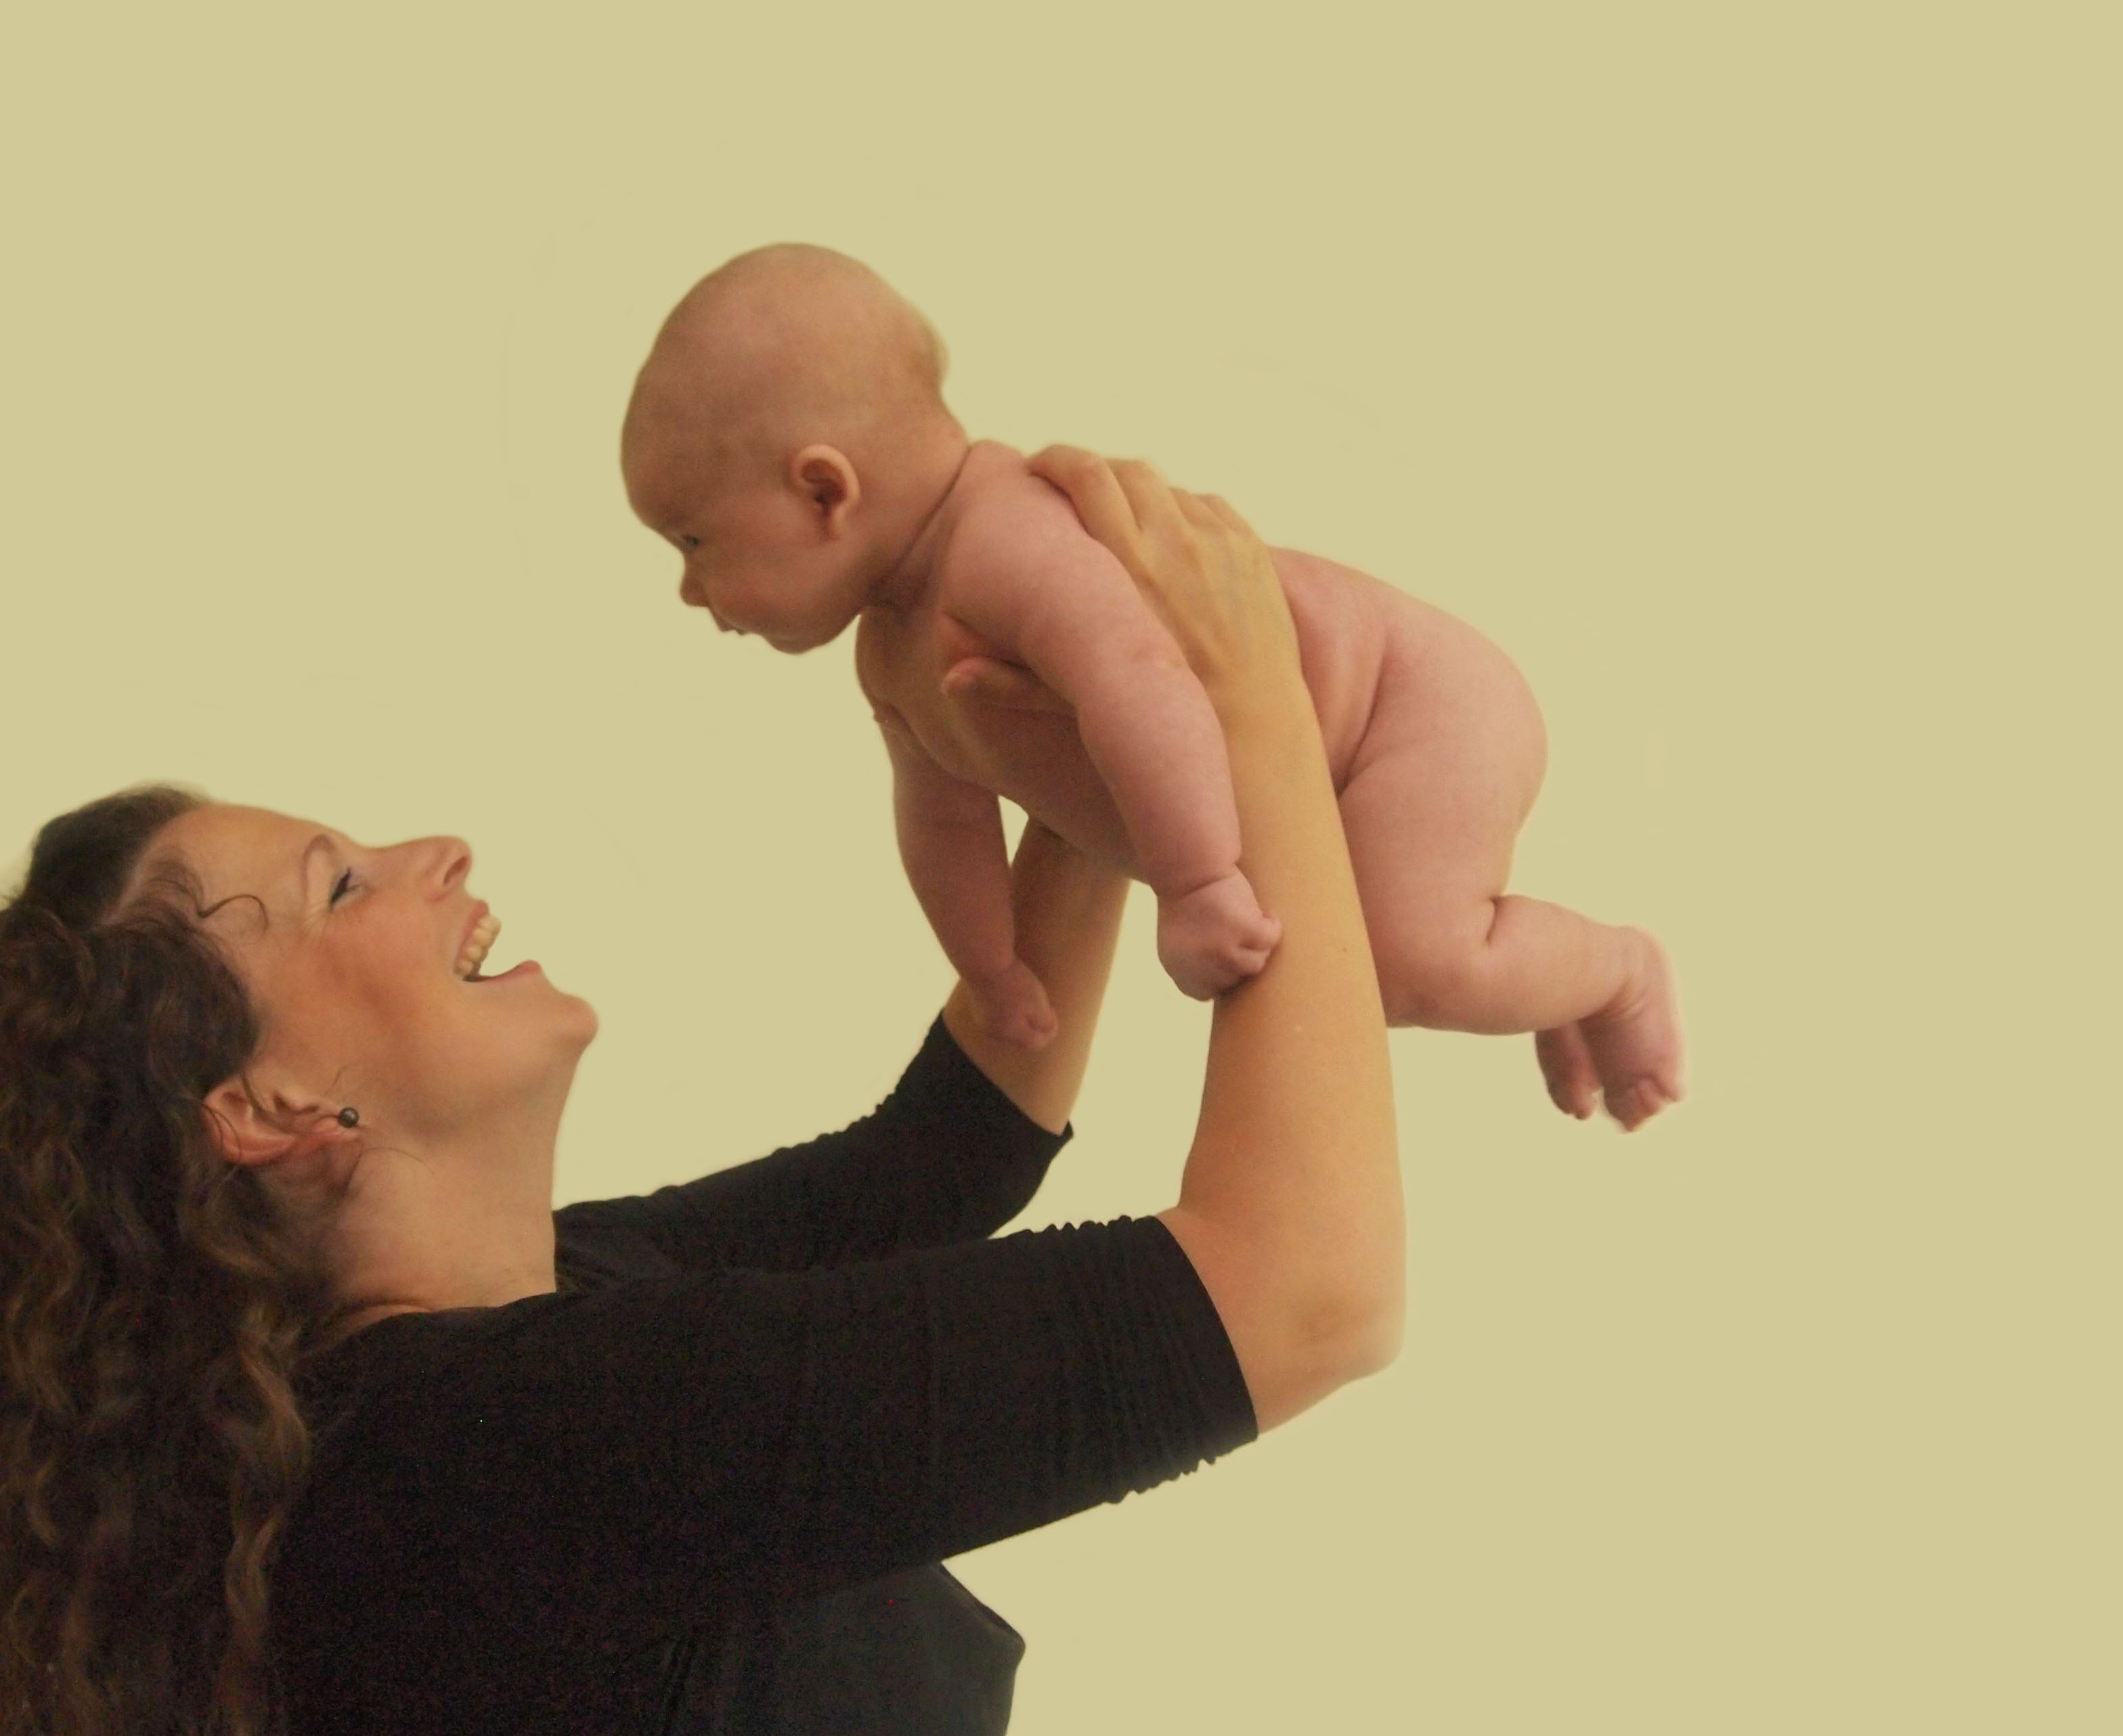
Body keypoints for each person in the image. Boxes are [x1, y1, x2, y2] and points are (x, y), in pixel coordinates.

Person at [0, 454, 1403, 1736]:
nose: (438, 849)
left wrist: (1088, 738)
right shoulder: (500, 1448)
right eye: (341, 884)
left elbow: (952, 1151)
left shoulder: (507, 1350)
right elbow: (1306, 1289)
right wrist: (1247, 705)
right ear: (271, 1106)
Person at [621, 243, 1686, 1130]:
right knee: (1399, 950)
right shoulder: (889, 650)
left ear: (823, 491)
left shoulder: (1002, 540)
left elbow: (1141, 681)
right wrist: (991, 968)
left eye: (692, 541)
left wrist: (1196, 882)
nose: (687, 589)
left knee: (1405, 962)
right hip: (1342, 750)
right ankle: (1544, 978)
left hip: (1411, 707)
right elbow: (940, 815)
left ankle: (1615, 969)